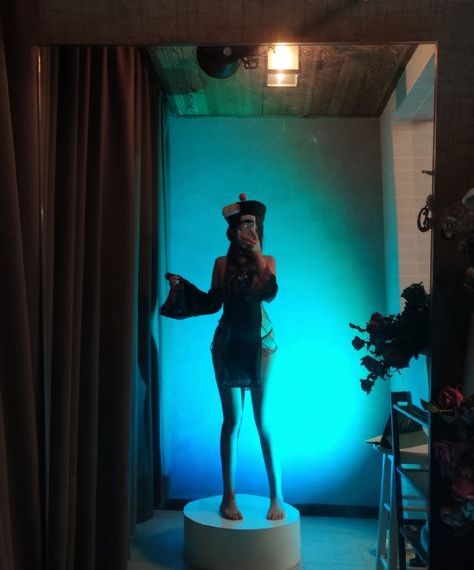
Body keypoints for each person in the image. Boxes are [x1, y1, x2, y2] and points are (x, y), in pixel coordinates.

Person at [161, 194, 284, 521]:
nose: (247, 230)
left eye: (252, 225)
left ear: (260, 228)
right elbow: (213, 302)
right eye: (242, 225)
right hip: (228, 342)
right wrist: (180, 288)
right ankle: (228, 495)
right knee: (232, 421)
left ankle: (277, 495)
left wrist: (256, 253)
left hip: (261, 342)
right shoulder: (221, 264)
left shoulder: (268, 261)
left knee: (263, 421)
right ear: (232, 230)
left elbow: (269, 292)